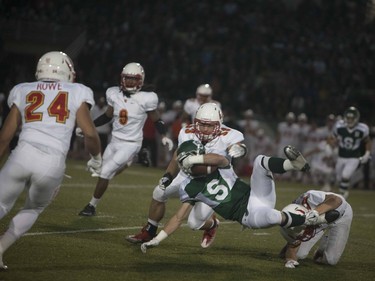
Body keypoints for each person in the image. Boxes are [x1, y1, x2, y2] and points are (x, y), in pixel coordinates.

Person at [0, 51, 102, 270]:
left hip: (23, 153)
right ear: (68, 71)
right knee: (34, 208)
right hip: (52, 162)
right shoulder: (77, 91)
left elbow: (5, 137)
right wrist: (96, 158)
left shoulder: (23, 89)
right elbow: (90, 134)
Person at [140, 144, 312, 253]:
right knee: (273, 216)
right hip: (248, 215)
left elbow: (220, 159)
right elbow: (178, 218)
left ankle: (293, 165)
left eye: (195, 162)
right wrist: (157, 239)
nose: (193, 167)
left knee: (260, 161)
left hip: (256, 194)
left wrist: (193, 159)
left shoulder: (218, 164)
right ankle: (313, 219)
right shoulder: (189, 187)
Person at [126, 102, 247, 248]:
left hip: (215, 181)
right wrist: (168, 176)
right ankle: (149, 231)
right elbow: (178, 155)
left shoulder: (230, 135)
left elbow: (234, 149)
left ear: (219, 125)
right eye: (201, 124)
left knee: (195, 223)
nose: (204, 129)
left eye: (209, 125)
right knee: (159, 192)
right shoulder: (187, 132)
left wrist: (238, 148)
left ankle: (212, 224)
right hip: (189, 175)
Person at [78, 62, 173, 216]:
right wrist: (88, 126)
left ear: (140, 80)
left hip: (131, 143)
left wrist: (164, 136)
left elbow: (156, 119)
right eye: (127, 78)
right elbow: (107, 116)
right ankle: (132, 161)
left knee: (105, 173)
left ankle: (91, 206)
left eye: (133, 79)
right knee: (104, 172)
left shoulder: (146, 98)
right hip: (114, 141)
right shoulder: (113, 94)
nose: (129, 82)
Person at [279, 190, 353, 268]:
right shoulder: (288, 225)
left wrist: (314, 213)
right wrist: (291, 260)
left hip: (342, 216)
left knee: (331, 260)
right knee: (299, 254)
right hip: (316, 221)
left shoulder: (309, 198)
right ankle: (290, 248)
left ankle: (322, 248)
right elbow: (293, 246)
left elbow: (336, 200)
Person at [332, 106, 371, 198]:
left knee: (346, 175)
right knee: (338, 178)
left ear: (356, 118)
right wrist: (330, 147)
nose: (349, 120)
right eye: (348, 118)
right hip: (341, 156)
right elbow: (332, 138)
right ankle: (342, 192)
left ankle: (343, 195)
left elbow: (367, 141)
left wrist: (367, 153)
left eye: (351, 118)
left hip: (354, 157)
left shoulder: (362, 128)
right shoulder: (339, 126)